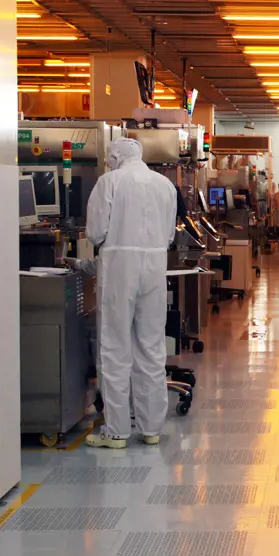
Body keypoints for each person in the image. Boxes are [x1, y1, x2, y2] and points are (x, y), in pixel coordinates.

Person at [82, 137, 178, 449]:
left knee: (114, 345)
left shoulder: (109, 182)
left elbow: (95, 232)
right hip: (154, 264)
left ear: (115, 157)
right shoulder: (164, 185)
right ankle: (151, 428)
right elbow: (168, 234)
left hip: (119, 266)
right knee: (151, 346)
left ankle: (117, 430)